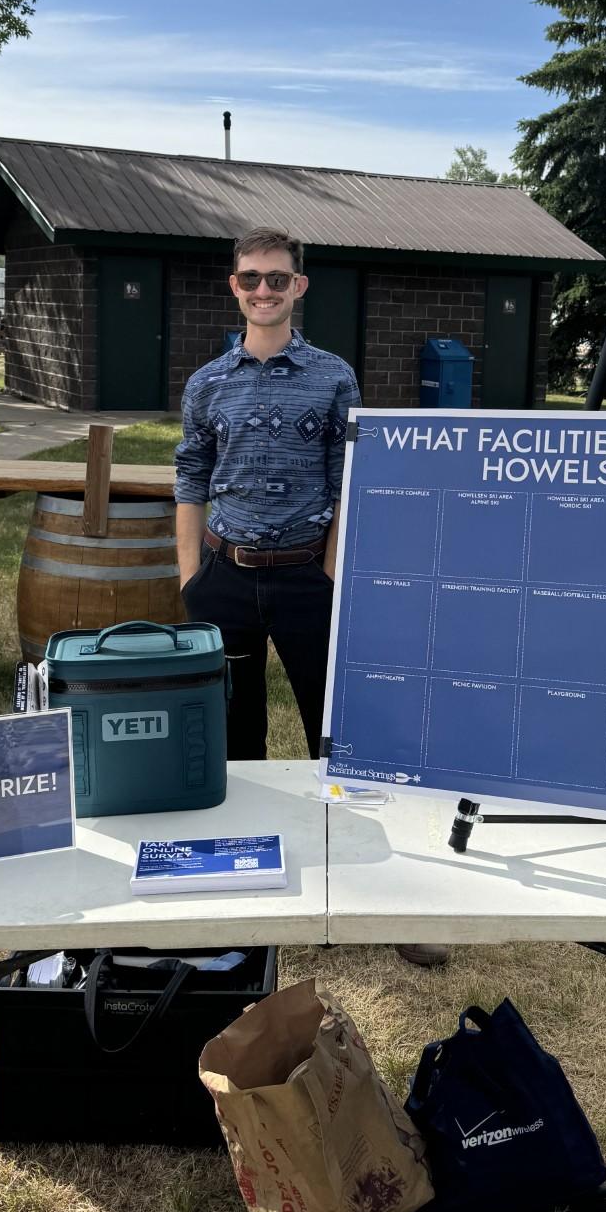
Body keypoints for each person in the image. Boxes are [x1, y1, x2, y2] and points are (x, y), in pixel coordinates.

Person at [174, 227, 449, 970]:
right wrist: (189, 573)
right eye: (249, 279)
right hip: (224, 579)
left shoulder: (333, 378)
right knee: (232, 739)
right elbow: (191, 476)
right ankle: (242, 893)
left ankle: (388, 898)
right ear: (233, 287)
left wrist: (329, 570)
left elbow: (347, 479)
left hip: (307, 579)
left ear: (299, 286)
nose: (262, 290)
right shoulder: (207, 383)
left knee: (342, 736)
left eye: (276, 279)